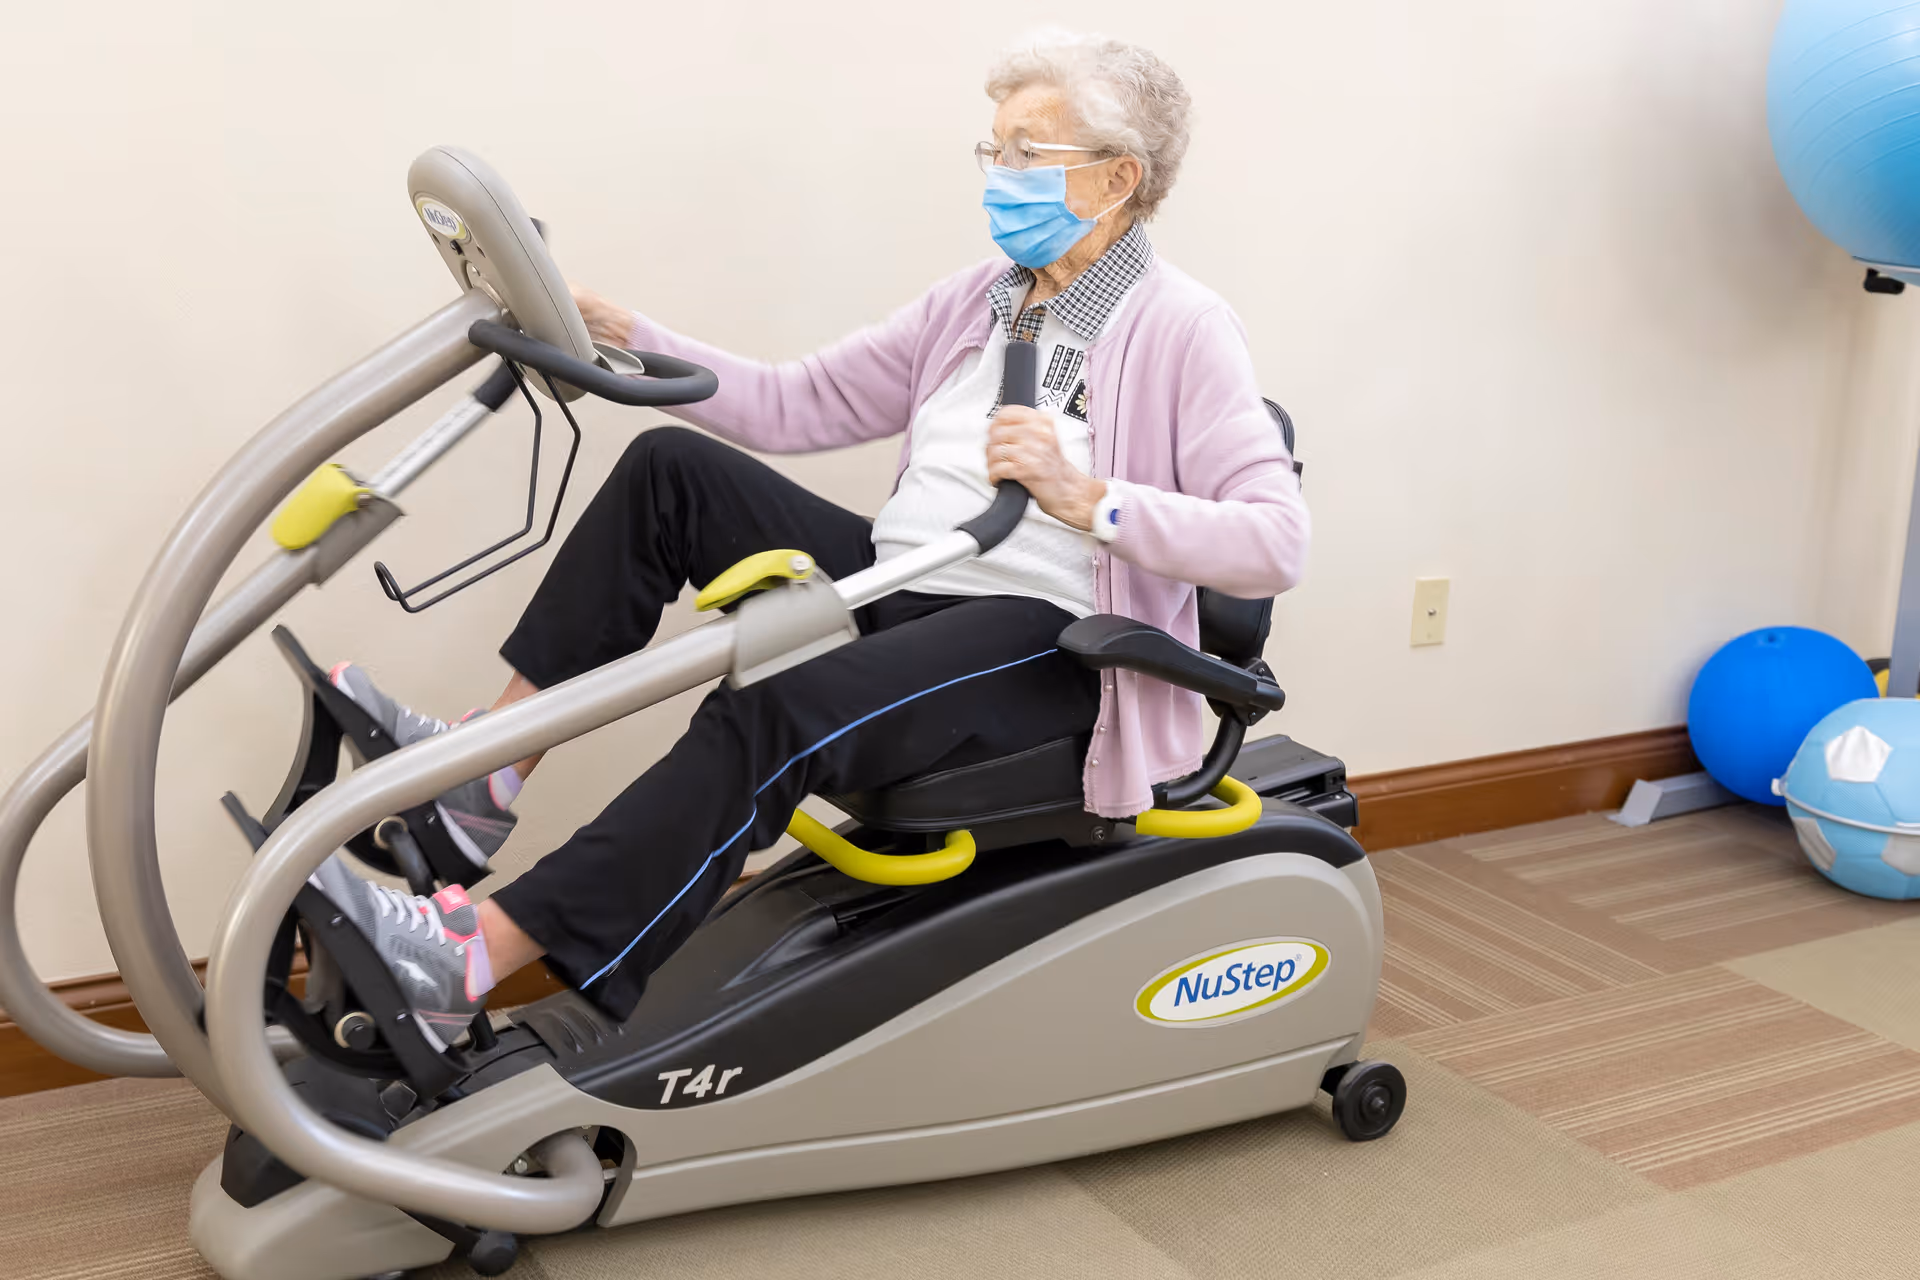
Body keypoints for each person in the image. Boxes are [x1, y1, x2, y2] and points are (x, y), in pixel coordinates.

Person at [310, 28, 1310, 1052]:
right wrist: (632, 334)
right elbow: (799, 403)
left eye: (1028, 155)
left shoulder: (1184, 326)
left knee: (774, 705)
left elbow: (1274, 541)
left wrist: (1087, 496)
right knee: (672, 470)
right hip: (910, 577)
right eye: (994, 151)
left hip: (1053, 639)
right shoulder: (982, 299)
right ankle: (487, 771)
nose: (1000, 177)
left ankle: (468, 956)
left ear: (1115, 178)